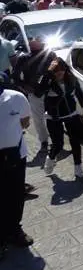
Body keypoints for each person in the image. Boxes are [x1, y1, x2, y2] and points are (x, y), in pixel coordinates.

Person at [35, 58, 83, 179]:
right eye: (56, 71)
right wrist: (48, 74)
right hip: (54, 117)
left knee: (75, 142)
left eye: (61, 70)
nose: (59, 73)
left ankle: (78, 169)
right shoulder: (47, 80)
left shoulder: (71, 79)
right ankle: (50, 158)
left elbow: (79, 93)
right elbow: (38, 92)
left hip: (71, 114)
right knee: (58, 144)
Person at [0, 78, 32, 259]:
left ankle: (14, 230)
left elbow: (25, 122)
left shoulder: (16, 98)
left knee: (16, 194)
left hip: (16, 155)